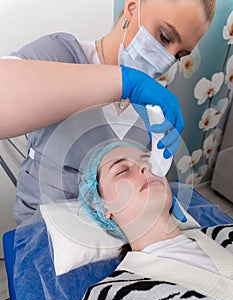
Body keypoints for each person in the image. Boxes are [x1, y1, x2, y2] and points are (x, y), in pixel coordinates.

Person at [0, 0, 216, 225]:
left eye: (179, 55)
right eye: (164, 36)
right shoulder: (62, 54)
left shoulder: (151, 107)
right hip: (44, 225)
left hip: (109, 229)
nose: (167, 59)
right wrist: (126, 83)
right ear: (132, 7)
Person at [72, 141, 233, 300]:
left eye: (149, 162)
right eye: (122, 170)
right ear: (102, 207)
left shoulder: (224, 234)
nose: (146, 167)